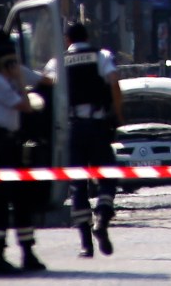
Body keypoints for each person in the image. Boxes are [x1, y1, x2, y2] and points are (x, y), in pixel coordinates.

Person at [0, 29, 47, 273]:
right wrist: (19, 81)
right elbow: (26, 106)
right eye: (12, 62)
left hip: (7, 144)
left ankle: (27, 252)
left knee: (21, 198)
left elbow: (44, 84)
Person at [62, 22, 124, 258]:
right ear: (88, 37)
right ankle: (102, 218)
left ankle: (85, 244)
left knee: (77, 186)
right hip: (97, 127)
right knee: (108, 177)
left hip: (73, 128)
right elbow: (114, 83)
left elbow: (48, 86)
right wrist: (118, 114)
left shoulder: (59, 60)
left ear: (67, 39)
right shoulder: (101, 56)